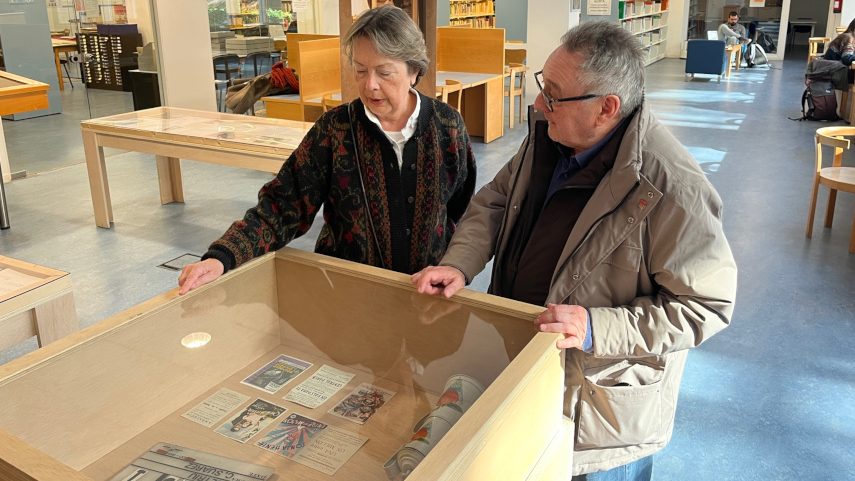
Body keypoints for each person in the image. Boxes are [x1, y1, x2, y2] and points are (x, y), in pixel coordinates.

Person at [412, 21, 737, 480]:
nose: (538, 104)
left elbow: (706, 307)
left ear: (607, 108)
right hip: (528, 367)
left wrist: (596, 327)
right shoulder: (549, 135)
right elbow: (495, 201)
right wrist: (460, 263)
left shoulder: (673, 188)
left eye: (555, 94)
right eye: (543, 84)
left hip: (599, 417)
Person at [178, 5, 476, 295]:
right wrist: (223, 256)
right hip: (348, 294)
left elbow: (460, 207)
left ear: (414, 70)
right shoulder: (334, 129)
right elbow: (282, 206)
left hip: (428, 292)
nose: (370, 85)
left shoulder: (447, 125)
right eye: (360, 70)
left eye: (384, 73)